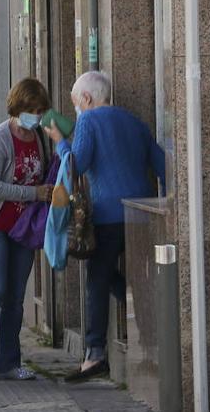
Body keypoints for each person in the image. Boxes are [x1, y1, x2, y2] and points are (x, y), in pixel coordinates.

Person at [46, 71, 165, 382]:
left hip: (109, 215)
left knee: (97, 279)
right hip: (143, 214)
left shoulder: (89, 120)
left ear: (86, 99)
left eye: (75, 104)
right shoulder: (135, 122)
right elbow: (163, 164)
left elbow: (78, 165)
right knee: (140, 282)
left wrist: (60, 143)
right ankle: (152, 349)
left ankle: (94, 354)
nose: (76, 111)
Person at [0, 78, 54, 383]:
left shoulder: (40, 136)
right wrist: (35, 194)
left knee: (16, 296)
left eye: (41, 111)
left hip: (22, 227)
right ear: (17, 109)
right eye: (31, 110)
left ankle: (9, 362)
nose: (36, 117)